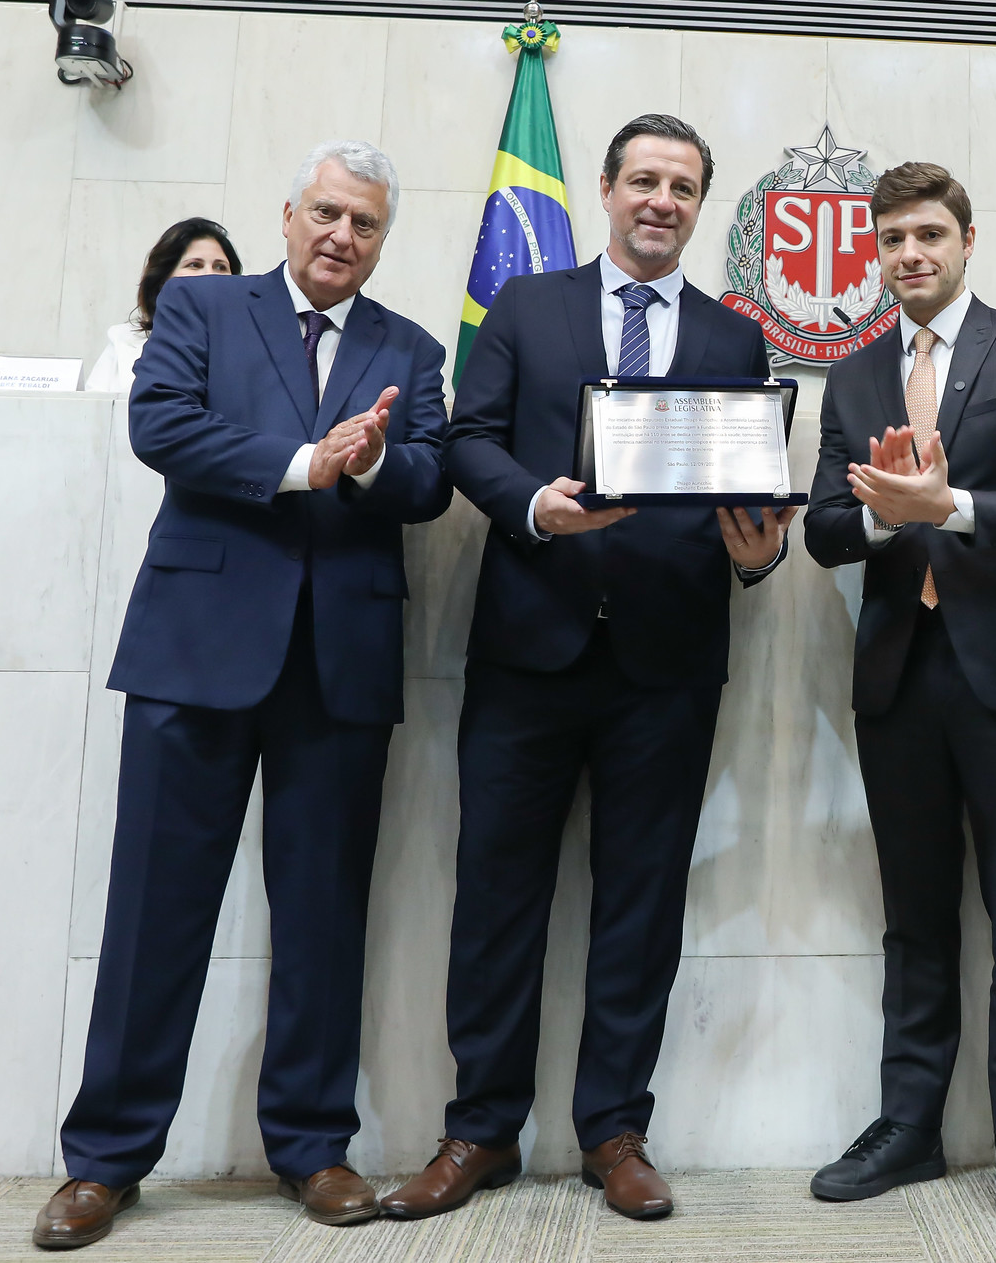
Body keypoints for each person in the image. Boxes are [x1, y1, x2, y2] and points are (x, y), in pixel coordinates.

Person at [34, 140, 451, 1249]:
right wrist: (308, 464)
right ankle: (106, 1158)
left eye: (364, 223)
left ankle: (313, 1146)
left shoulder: (411, 349)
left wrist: (371, 462)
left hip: (339, 664)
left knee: (324, 918)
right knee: (153, 912)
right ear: (288, 214)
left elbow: (428, 479)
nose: (341, 236)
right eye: (326, 212)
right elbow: (161, 426)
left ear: (381, 241)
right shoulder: (206, 309)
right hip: (196, 649)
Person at [379, 114, 794, 1225]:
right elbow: (468, 438)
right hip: (530, 650)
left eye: (683, 187)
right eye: (644, 180)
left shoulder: (734, 335)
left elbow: (743, 487)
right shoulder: (526, 306)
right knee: (496, 897)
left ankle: (614, 1130)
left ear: (698, 207)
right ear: (606, 190)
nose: (661, 201)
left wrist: (759, 556)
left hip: (667, 663)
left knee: (641, 904)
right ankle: (479, 1131)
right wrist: (532, 504)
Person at [802, 162, 996, 1219]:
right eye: (891, 239)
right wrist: (884, 517)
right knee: (915, 918)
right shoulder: (850, 375)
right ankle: (910, 1128)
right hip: (899, 674)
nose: (909, 254)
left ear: (966, 241)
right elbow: (822, 529)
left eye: (928, 234)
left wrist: (951, 505)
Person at [85, 217, 242, 392]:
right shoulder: (123, 340)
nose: (209, 275)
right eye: (194, 265)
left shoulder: (247, 346)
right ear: (163, 279)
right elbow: (94, 406)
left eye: (220, 267)